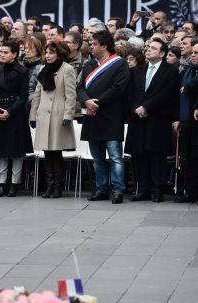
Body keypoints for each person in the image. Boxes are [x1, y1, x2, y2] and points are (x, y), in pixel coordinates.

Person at [78, 30, 130, 204]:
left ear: (104, 45)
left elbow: (118, 88)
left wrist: (96, 102)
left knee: (115, 157)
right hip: (92, 117)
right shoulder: (89, 64)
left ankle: (118, 190)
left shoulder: (119, 63)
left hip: (111, 117)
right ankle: (101, 189)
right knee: (97, 159)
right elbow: (79, 88)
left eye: (94, 44)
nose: (91, 46)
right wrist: (86, 101)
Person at [126, 39, 180, 203]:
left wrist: (146, 107)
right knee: (139, 155)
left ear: (162, 53)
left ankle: (157, 190)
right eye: (148, 47)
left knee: (157, 156)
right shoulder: (138, 70)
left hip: (157, 119)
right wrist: (137, 107)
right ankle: (142, 189)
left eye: (153, 48)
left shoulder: (170, 71)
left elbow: (167, 93)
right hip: (138, 119)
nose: (148, 50)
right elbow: (131, 92)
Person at [29, 41, 77, 198]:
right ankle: (49, 186)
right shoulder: (43, 69)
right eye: (46, 53)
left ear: (59, 54)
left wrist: (68, 115)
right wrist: (33, 115)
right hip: (44, 115)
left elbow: (71, 94)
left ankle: (57, 187)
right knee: (47, 152)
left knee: (56, 153)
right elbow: (37, 94)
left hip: (58, 115)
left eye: (51, 53)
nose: (48, 56)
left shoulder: (67, 69)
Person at [0, 40, 33, 197]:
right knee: (0, 151)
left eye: (5, 52)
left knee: (15, 151)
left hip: (15, 115)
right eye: (0, 52)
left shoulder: (22, 71)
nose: (2, 55)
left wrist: (10, 112)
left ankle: (14, 184)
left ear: (14, 54)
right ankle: (1, 184)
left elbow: (24, 96)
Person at [174, 43, 198, 203]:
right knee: (188, 158)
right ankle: (190, 191)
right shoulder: (188, 70)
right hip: (187, 121)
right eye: (194, 52)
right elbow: (179, 95)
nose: (193, 55)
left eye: (197, 53)